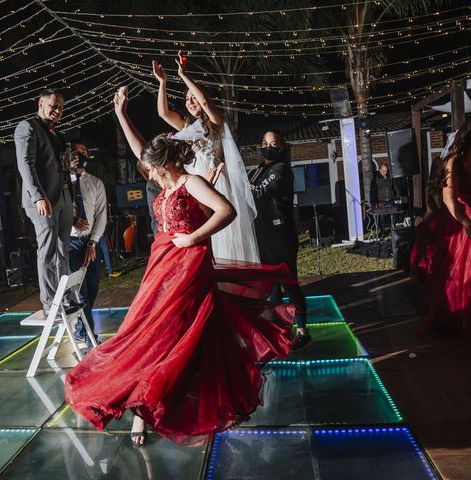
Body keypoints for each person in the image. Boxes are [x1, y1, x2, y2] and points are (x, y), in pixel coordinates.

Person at [64, 89, 296, 448]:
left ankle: (146, 410)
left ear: (168, 165)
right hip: (162, 265)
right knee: (147, 330)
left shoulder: (191, 181)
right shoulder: (170, 187)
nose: (151, 177)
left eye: (154, 171)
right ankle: (146, 403)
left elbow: (227, 212)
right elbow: (148, 157)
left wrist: (193, 239)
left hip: (189, 265)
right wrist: (122, 116)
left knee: (173, 333)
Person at [152, 52, 260, 263]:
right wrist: (162, 82)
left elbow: (204, 100)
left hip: (215, 184)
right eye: (187, 99)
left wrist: (183, 75)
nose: (191, 102)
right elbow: (163, 113)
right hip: (194, 184)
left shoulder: (215, 120)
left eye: (194, 98)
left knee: (221, 238)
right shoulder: (185, 126)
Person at [411, 118, 471, 348]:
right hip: (460, 219)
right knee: (458, 272)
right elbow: (450, 200)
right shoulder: (455, 162)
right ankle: (458, 318)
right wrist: (467, 224)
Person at [248, 131, 310, 351]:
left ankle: (302, 330)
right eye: (265, 143)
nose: (268, 147)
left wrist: (236, 177)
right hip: (262, 234)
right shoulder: (257, 170)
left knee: (288, 283)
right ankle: (280, 329)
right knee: (271, 286)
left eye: (273, 143)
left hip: (280, 234)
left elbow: (259, 192)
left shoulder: (281, 169)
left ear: (282, 147)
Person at [15, 89, 73, 317]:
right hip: (42, 200)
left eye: (61, 107)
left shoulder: (56, 132)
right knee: (48, 253)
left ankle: (64, 298)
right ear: (41, 104)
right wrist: (38, 196)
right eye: (53, 105)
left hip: (63, 198)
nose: (58, 110)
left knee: (62, 252)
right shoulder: (27, 127)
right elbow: (25, 165)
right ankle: (50, 304)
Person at [68, 142, 107, 347]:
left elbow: (102, 216)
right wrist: (71, 219)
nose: (79, 155)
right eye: (75, 152)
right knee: (81, 292)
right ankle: (90, 337)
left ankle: (81, 330)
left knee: (93, 289)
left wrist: (93, 242)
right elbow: (56, 213)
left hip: (91, 243)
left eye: (83, 151)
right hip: (71, 243)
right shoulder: (62, 182)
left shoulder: (96, 183)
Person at [369, 163, 396, 237]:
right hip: (381, 200)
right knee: (382, 217)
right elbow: (373, 191)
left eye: (386, 171)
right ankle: (383, 232)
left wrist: (396, 195)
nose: (385, 172)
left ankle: (393, 231)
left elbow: (394, 187)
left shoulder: (390, 177)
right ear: (380, 170)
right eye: (383, 171)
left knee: (393, 216)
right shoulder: (375, 178)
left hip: (390, 199)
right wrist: (373, 202)